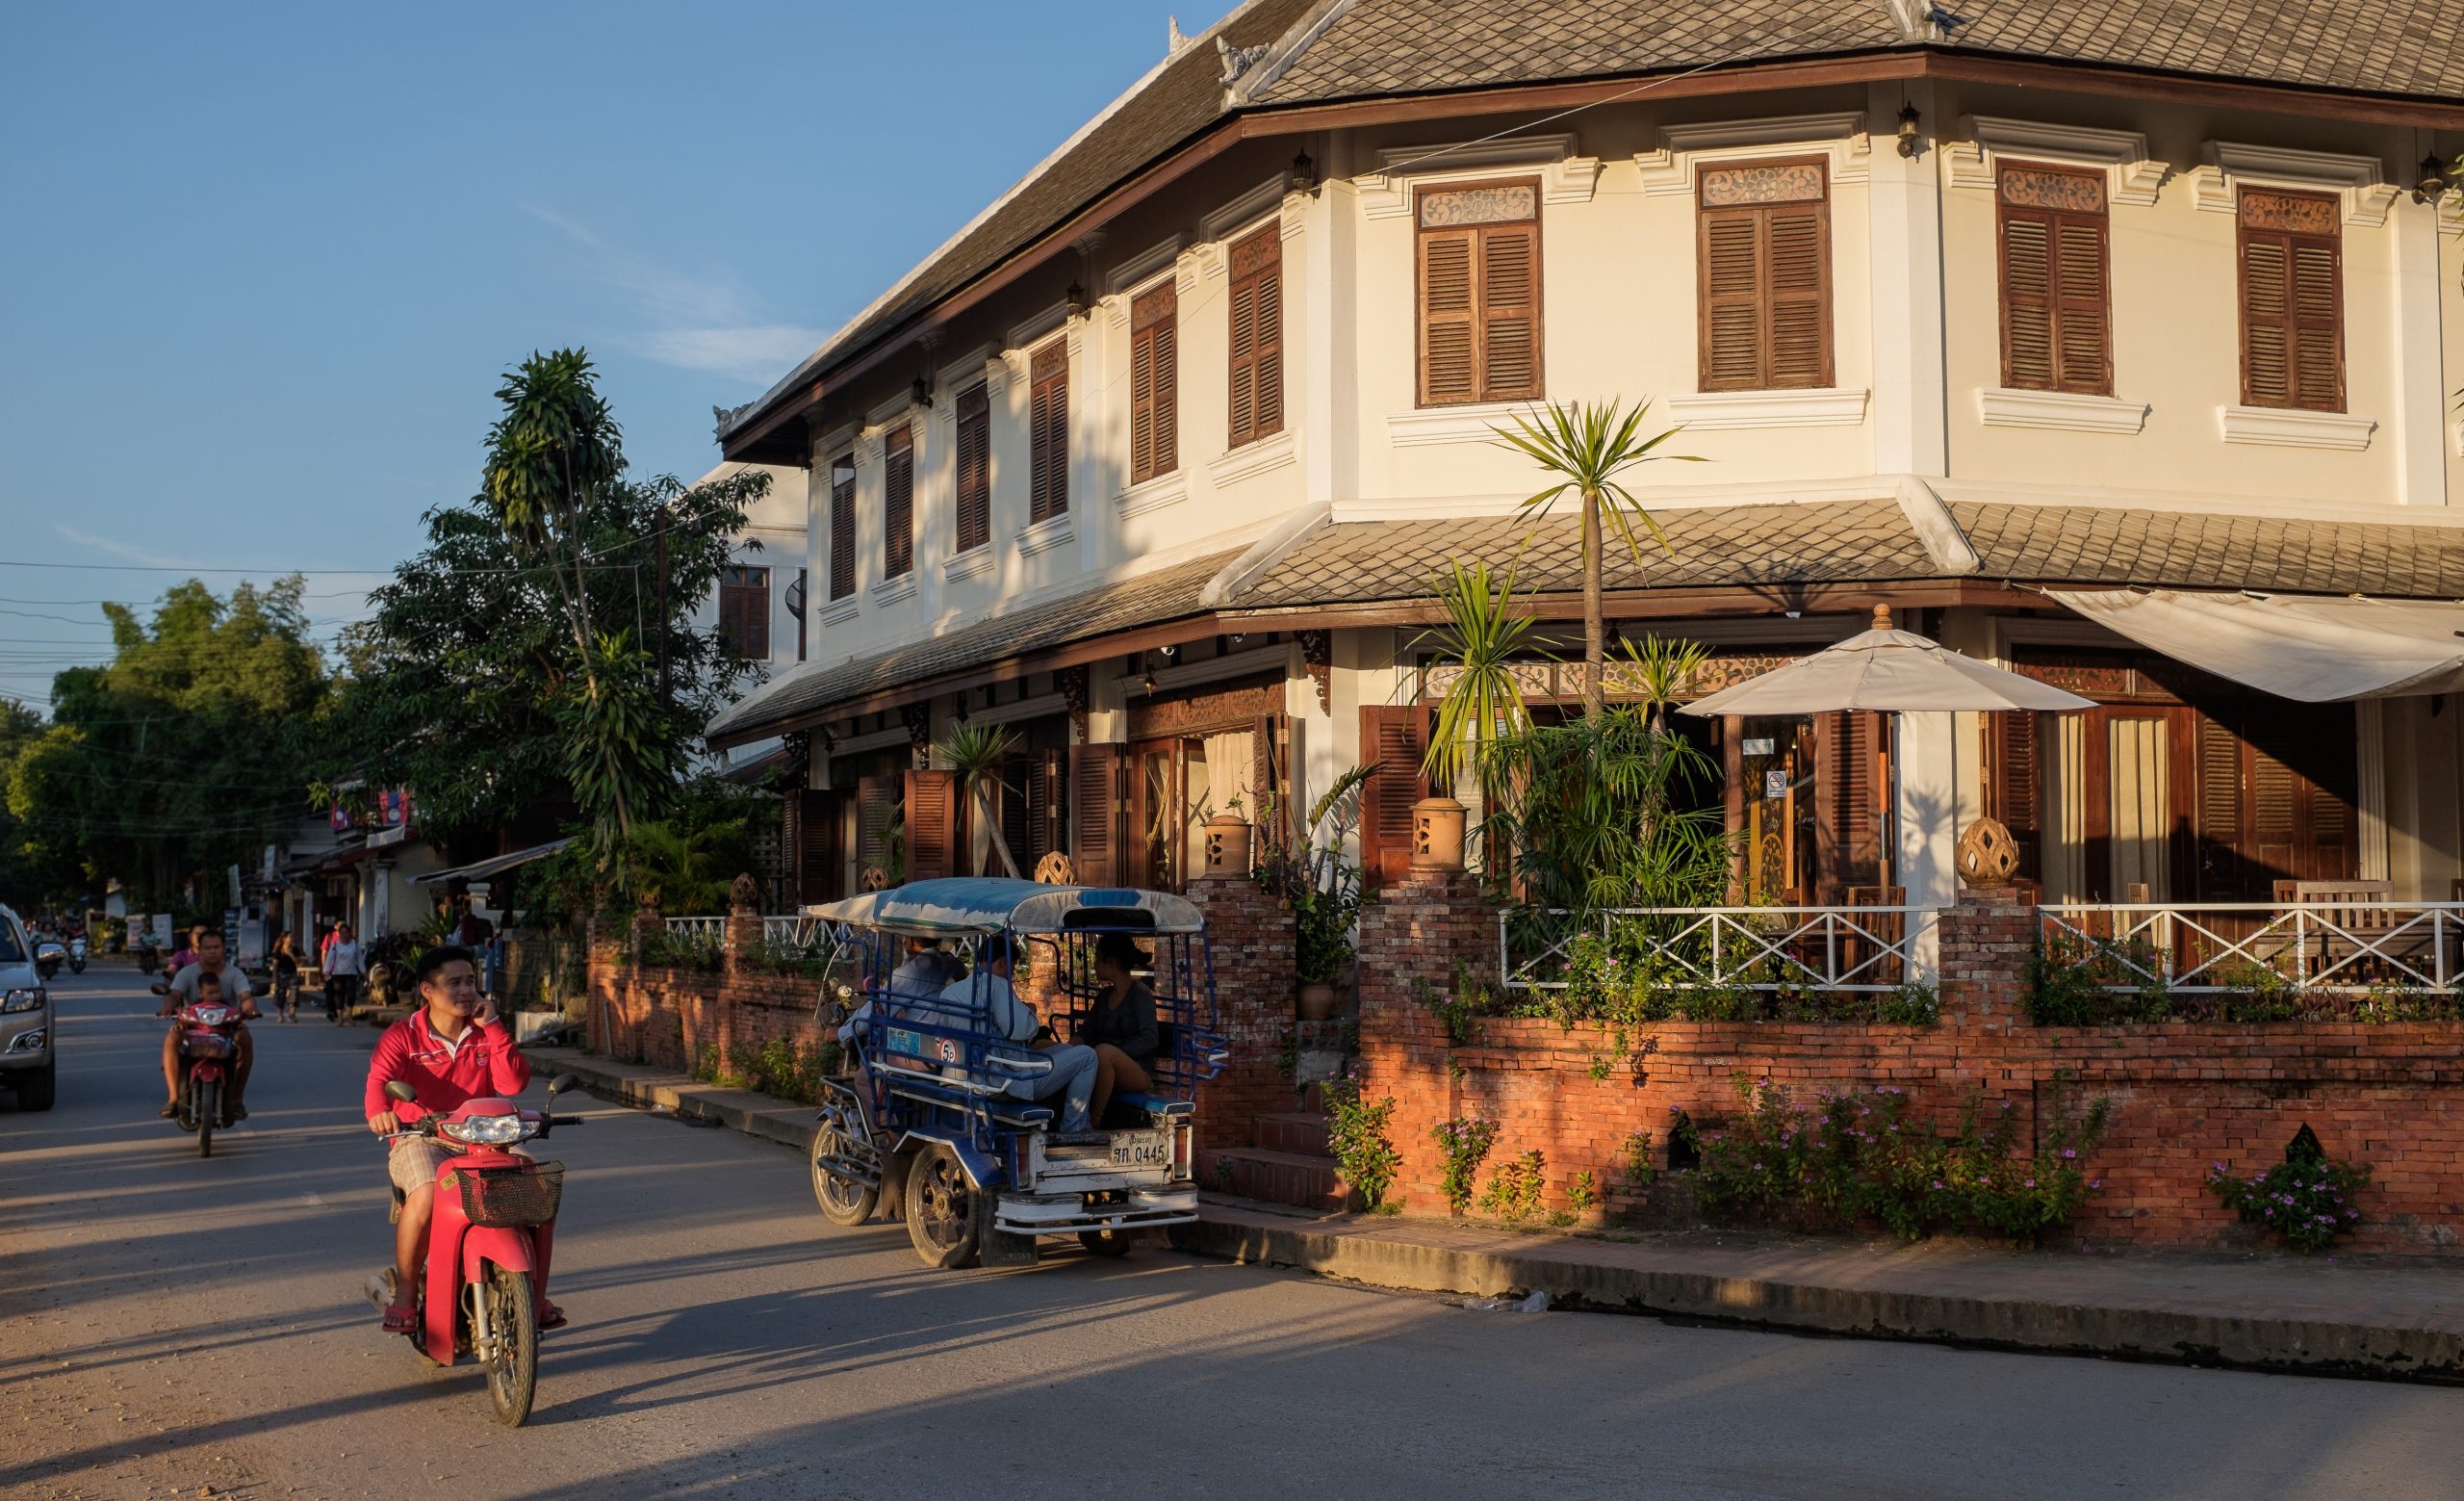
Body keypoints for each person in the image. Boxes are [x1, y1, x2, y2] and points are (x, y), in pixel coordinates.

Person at [363, 945, 559, 1334]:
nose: (466, 991)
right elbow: (378, 1083)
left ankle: (533, 1293)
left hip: (486, 1137)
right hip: (422, 1136)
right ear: (427, 991)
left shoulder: (486, 1033)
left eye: (470, 981)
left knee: (537, 1189)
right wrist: (379, 1115)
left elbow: (513, 1084)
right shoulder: (404, 1035)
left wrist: (497, 1027)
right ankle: (405, 1296)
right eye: (453, 982)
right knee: (429, 1192)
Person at [945, 939, 1097, 1132]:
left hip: (966, 1076)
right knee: (1087, 1056)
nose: (1013, 974)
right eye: (1012, 968)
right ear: (1002, 963)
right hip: (1003, 1083)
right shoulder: (997, 984)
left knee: (1066, 1050)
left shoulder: (950, 992)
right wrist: (1029, 1010)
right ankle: (1074, 1128)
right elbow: (1023, 1029)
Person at [157, 931, 259, 1120]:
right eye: (208, 948)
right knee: (171, 1039)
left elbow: (245, 997)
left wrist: (250, 1009)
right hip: (191, 1027)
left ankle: (237, 1100)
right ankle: (172, 1099)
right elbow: (174, 995)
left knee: (245, 1038)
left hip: (227, 1028)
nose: (212, 951)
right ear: (198, 951)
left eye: (216, 947)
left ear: (223, 949)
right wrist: (167, 1006)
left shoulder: (235, 973)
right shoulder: (187, 973)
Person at [1080, 933, 1161, 1126]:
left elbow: (1150, 1038)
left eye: (1098, 958)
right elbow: (1087, 1031)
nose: (1094, 965)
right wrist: (1066, 1050)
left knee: (1104, 1053)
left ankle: (1093, 1122)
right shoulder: (1103, 996)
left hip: (1136, 1071)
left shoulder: (1140, 995)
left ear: (1111, 962)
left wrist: (1117, 1054)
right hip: (1104, 1063)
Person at [324, 924, 366, 1015]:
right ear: (339, 934)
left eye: (346, 932)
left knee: (351, 995)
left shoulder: (354, 944)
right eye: (342, 933)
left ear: (349, 933)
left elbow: (359, 959)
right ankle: (340, 1017)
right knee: (339, 996)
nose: (344, 935)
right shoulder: (335, 944)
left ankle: (349, 1016)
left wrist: (363, 971)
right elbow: (330, 958)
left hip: (351, 973)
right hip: (338, 974)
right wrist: (326, 971)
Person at [269, 930, 303, 1022]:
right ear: (284, 939)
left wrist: (290, 954)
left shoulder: (295, 949)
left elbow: (298, 962)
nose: (292, 939)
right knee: (280, 994)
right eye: (290, 937)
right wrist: (274, 977)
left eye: (292, 937)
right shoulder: (278, 949)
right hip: (281, 974)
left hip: (292, 973)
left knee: (294, 993)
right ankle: (280, 1015)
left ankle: (292, 1015)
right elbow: (275, 964)